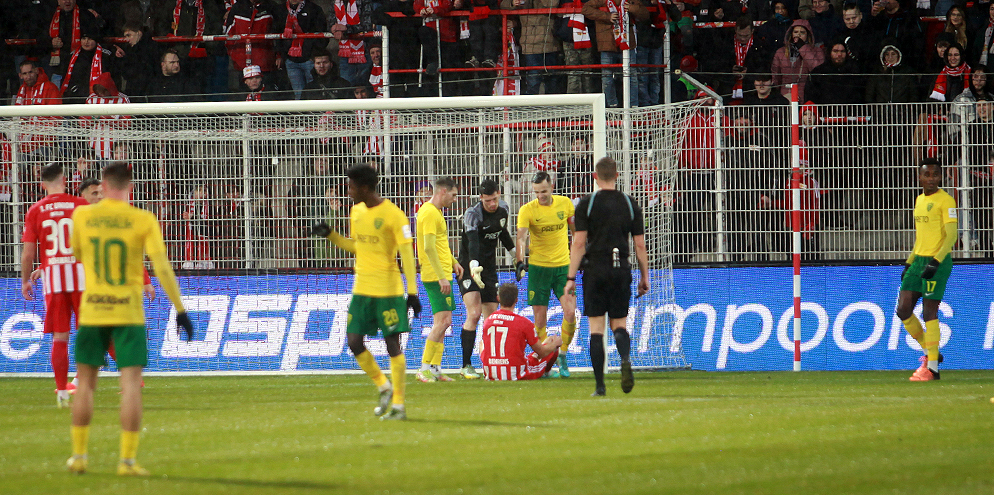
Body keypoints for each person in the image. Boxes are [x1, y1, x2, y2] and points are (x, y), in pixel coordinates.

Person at [66, 161, 195, 475]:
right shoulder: (143, 219)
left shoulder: (82, 215)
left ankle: (79, 457)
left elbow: (77, 253)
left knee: (85, 385)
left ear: (103, 186)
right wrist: (180, 309)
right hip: (128, 311)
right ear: (130, 188)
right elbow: (161, 266)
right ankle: (127, 462)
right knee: (131, 385)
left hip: (93, 309)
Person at [311, 163, 420, 420]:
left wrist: (413, 292)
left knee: (392, 344)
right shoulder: (356, 212)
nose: (348, 191)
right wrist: (331, 235)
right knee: (354, 341)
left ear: (365, 188)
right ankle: (383, 385)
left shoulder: (394, 215)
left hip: (388, 290)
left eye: (351, 187)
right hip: (362, 289)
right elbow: (358, 247)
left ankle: (399, 405)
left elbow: (407, 254)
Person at [565, 157, 649, 396]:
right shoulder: (630, 203)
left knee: (596, 329)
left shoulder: (587, 204)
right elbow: (640, 245)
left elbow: (579, 243)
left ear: (595, 176)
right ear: (617, 175)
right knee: (619, 324)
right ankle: (625, 359)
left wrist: (571, 277)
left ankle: (600, 386)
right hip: (620, 268)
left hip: (595, 269)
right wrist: (645, 276)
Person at [20, 163, 90, 408]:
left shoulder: (35, 210)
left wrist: (25, 280)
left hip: (53, 279)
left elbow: (28, 253)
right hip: (81, 276)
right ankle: (88, 382)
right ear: (65, 180)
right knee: (90, 331)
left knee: (60, 336)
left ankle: (62, 391)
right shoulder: (80, 205)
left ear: (42, 185)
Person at [895, 158, 957, 382]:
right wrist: (909, 263)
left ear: (940, 177)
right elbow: (921, 237)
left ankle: (932, 369)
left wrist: (936, 261)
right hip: (918, 260)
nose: (931, 179)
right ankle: (931, 352)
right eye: (927, 174)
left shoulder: (946, 201)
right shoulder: (919, 200)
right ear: (919, 177)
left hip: (937, 261)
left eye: (935, 175)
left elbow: (951, 236)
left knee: (929, 312)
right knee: (903, 309)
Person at [515, 171, 578, 377]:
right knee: (540, 321)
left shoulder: (565, 204)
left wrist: (579, 256)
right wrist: (519, 261)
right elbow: (521, 237)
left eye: (543, 191)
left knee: (570, 312)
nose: (540, 196)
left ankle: (563, 354)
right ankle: (546, 362)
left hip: (563, 267)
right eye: (536, 192)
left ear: (551, 187)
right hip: (538, 269)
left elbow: (575, 232)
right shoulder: (527, 210)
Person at [456, 179, 515, 379]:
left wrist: (516, 257)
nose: (492, 204)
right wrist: (473, 266)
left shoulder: (504, 209)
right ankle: (466, 365)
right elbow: (472, 241)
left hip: (489, 270)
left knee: (491, 319)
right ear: (481, 198)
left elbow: (502, 233)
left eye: (494, 199)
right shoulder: (472, 214)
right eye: (487, 200)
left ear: (499, 194)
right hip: (469, 268)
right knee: (474, 313)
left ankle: (491, 363)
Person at [414, 177, 464, 382]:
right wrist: (442, 277)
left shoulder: (435, 212)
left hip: (442, 272)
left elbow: (440, 244)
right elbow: (428, 248)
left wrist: (453, 262)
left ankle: (435, 368)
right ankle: (424, 368)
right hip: (436, 275)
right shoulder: (428, 213)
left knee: (444, 322)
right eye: (453, 195)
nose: (455, 199)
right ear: (443, 191)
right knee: (443, 321)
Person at [480, 283, 563, 380]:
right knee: (551, 343)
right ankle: (546, 372)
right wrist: (555, 344)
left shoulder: (488, 321)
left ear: (498, 299)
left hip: (490, 373)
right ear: (516, 300)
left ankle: (492, 368)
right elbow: (542, 352)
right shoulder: (524, 323)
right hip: (517, 373)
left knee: (482, 344)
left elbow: (483, 348)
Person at [274, 0, 327, 100]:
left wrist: (314, 54)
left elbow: (322, 34)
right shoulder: (280, 9)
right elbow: (276, 33)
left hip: (309, 59)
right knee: (298, 94)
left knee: (313, 93)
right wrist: (280, 55)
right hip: (291, 60)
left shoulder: (314, 9)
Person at [770, 19, 824, 102]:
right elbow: (775, 77)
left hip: (806, 97)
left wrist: (803, 48)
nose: (798, 35)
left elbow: (817, 69)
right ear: (791, 34)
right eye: (795, 32)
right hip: (784, 97)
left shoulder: (817, 51)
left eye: (802, 32)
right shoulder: (781, 52)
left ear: (808, 35)